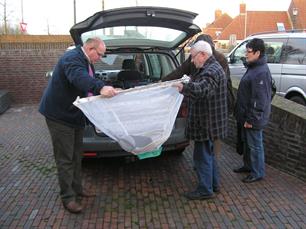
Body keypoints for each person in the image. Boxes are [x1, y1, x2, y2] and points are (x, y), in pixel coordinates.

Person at [39, 37, 118, 213]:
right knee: (65, 159)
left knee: (76, 155)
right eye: (100, 54)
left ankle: (77, 189)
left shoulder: (87, 60)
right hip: (59, 116)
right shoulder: (72, 58)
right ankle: (68, 198)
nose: (100, 58)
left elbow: (87, 86)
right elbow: (79, 78)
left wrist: (108, 88)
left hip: (74, 116)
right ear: (90, 48)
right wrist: (100, 88)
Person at [173, 40, 228, 200]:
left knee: (202, 157)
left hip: (206, 124)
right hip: (209, 123)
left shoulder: (211, 71)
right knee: (209, 155)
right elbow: (201, 84)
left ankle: (205, 189)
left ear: (203, 55)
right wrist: (189, 82)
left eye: (193, 56)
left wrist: (184, 87)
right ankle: (213, 184)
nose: (192, 60)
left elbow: (203, 89)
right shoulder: (211, 68)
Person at [233, 38, 272, 183]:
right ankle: (248, 166)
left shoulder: (260, 72)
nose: (246, 54)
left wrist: (251, 119)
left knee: (255, 145)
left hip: (253, 118)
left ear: (258, 53)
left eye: (249, 52)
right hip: (247, 115)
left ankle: (258, 172)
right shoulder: (254, 68)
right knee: (249, 144)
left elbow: (259, 99)